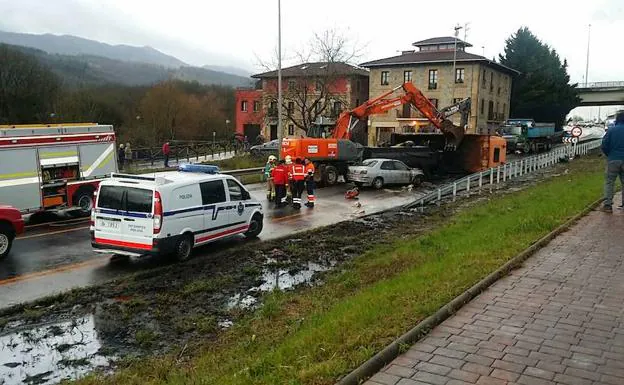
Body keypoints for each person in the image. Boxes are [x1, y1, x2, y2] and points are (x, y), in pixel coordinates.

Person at [601, 110, 624, 213]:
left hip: (613, 159)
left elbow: (604, 145)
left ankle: (608, 205)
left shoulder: (611, 130)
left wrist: (609, 155)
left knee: (609, 182)